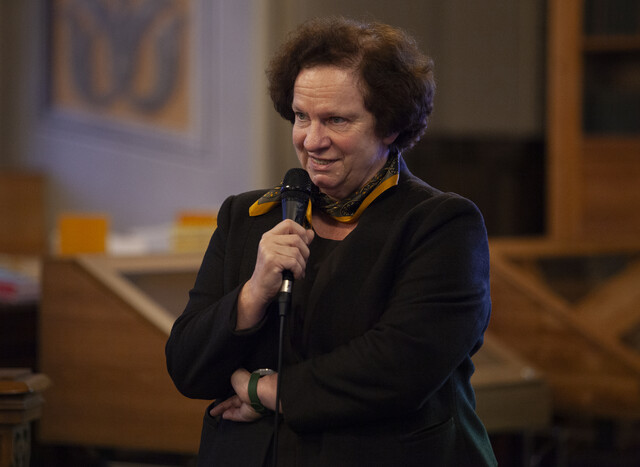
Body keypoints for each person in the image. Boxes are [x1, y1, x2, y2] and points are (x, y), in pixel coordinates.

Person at [166, 16, 497, 467]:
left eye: (336, 120)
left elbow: (399, 368)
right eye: (302, 116)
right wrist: (253, 294)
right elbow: (187, 368)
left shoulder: (440, 225)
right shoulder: (245, 217)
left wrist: (264, 390)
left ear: (390, 126)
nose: (312, 140)